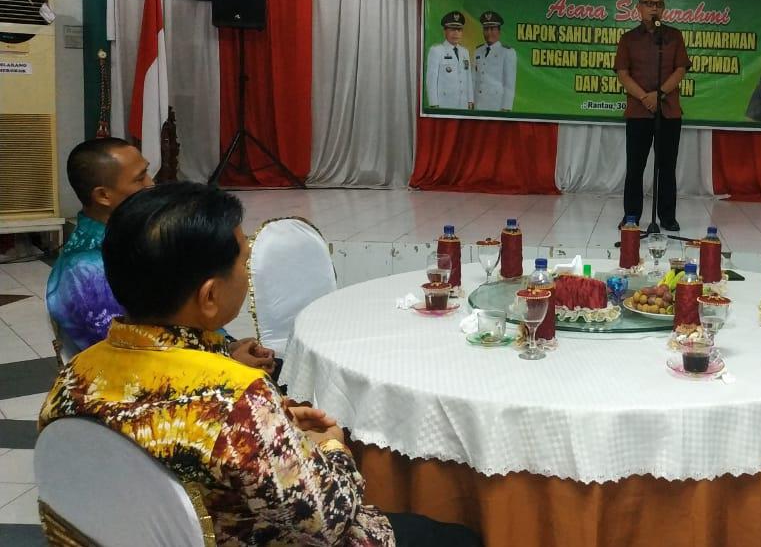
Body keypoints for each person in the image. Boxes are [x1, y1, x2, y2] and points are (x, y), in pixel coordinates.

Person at [39, 182, 481, 547]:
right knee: (455, 537)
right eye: (244, 262)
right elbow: (326, 522)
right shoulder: (236, 398)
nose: (247, 272)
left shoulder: (74, 375)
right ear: (210, 297)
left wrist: (277, 428)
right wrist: (331, 447)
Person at [46, 137, 274, 371]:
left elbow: (187, 314)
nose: (151, 184)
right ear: (103, 195)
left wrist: (228, 347)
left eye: (148, 173)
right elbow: (131, 356)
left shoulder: (142, 237)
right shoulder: (85, 270)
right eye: (139, 179)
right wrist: (229, 363)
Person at [614, 0, 691, 231]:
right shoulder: (628, 39)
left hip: (668, 111)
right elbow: (623, 74)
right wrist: (644, 97)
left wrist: (660, 94)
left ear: (664, 8)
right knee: (635, 167)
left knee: (667, 167)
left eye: (658, 4)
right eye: (648, 3)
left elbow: (680, 69)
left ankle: (667, 217)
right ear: (639, 8)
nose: (653, 8)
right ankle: (631, 216)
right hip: (638, 112)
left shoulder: (674, 36)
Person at [425, 10, 473, 110]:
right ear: (445, 31)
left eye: (459, 30)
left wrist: (470, 100)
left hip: (463, 103)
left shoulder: (465, 52)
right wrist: (434, 104)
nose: (456, 33)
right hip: (444, 104)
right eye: (452, 29)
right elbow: (431, 80)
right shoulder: (436, 50)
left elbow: (468, 78)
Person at [472, 10, 517, 111]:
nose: (489, 33)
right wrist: (471, 101)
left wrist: (506, 107)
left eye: (492, 29)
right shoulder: (478, 51)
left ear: (499, 31)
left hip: (496, 106)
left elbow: (509, 84)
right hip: (478, 104)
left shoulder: (507, 52)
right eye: (486, 29)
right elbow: (473, 79)